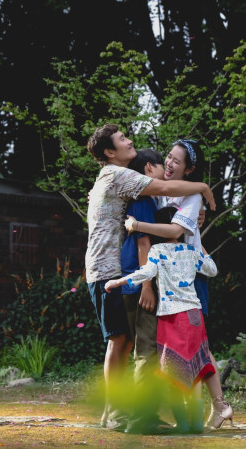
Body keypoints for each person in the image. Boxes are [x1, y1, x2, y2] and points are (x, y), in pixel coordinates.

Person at [84, 124, 215, 430]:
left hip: (119, 271)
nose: (129, 140)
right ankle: (127, 415)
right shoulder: (123, 178)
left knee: (126, 341)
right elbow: (163, 195)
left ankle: (115, 413)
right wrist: (202, 188)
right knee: (126, 342)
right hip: (112, 272)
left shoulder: (117, 179)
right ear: (110, 152)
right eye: (122, 139)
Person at [124, 139, 233, 429]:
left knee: (197, 345)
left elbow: (174, 231)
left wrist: (137, 225)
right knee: (176, 346)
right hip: (167, 273)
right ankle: (191, 416)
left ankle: (219, 405)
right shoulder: (162, 190)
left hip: (189, 274)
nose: (170, 164)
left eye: (177, 161)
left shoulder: (191, 196)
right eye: (169, 157)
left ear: (189, 169)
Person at [104, 206, 224, 433]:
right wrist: (199, 244)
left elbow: (145, 273)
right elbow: (212, 270)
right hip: (193, 314)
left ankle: (183, 425)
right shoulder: (192, 251)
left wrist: (119, 282)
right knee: (195, 364)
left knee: (172, 368)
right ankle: (196, 424)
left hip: (171, 316)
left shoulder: (157, 250)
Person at [119, 149, 167, 434]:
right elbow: (143, 243)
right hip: (139, 281)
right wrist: (147, 285)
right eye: (162, 165)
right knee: (146, 350)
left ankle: (147, 414)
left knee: (144, 349)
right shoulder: (144, 199)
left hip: (132, 279)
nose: (166, 170)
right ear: (149, 167)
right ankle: (140, 420)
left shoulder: (140, 199)